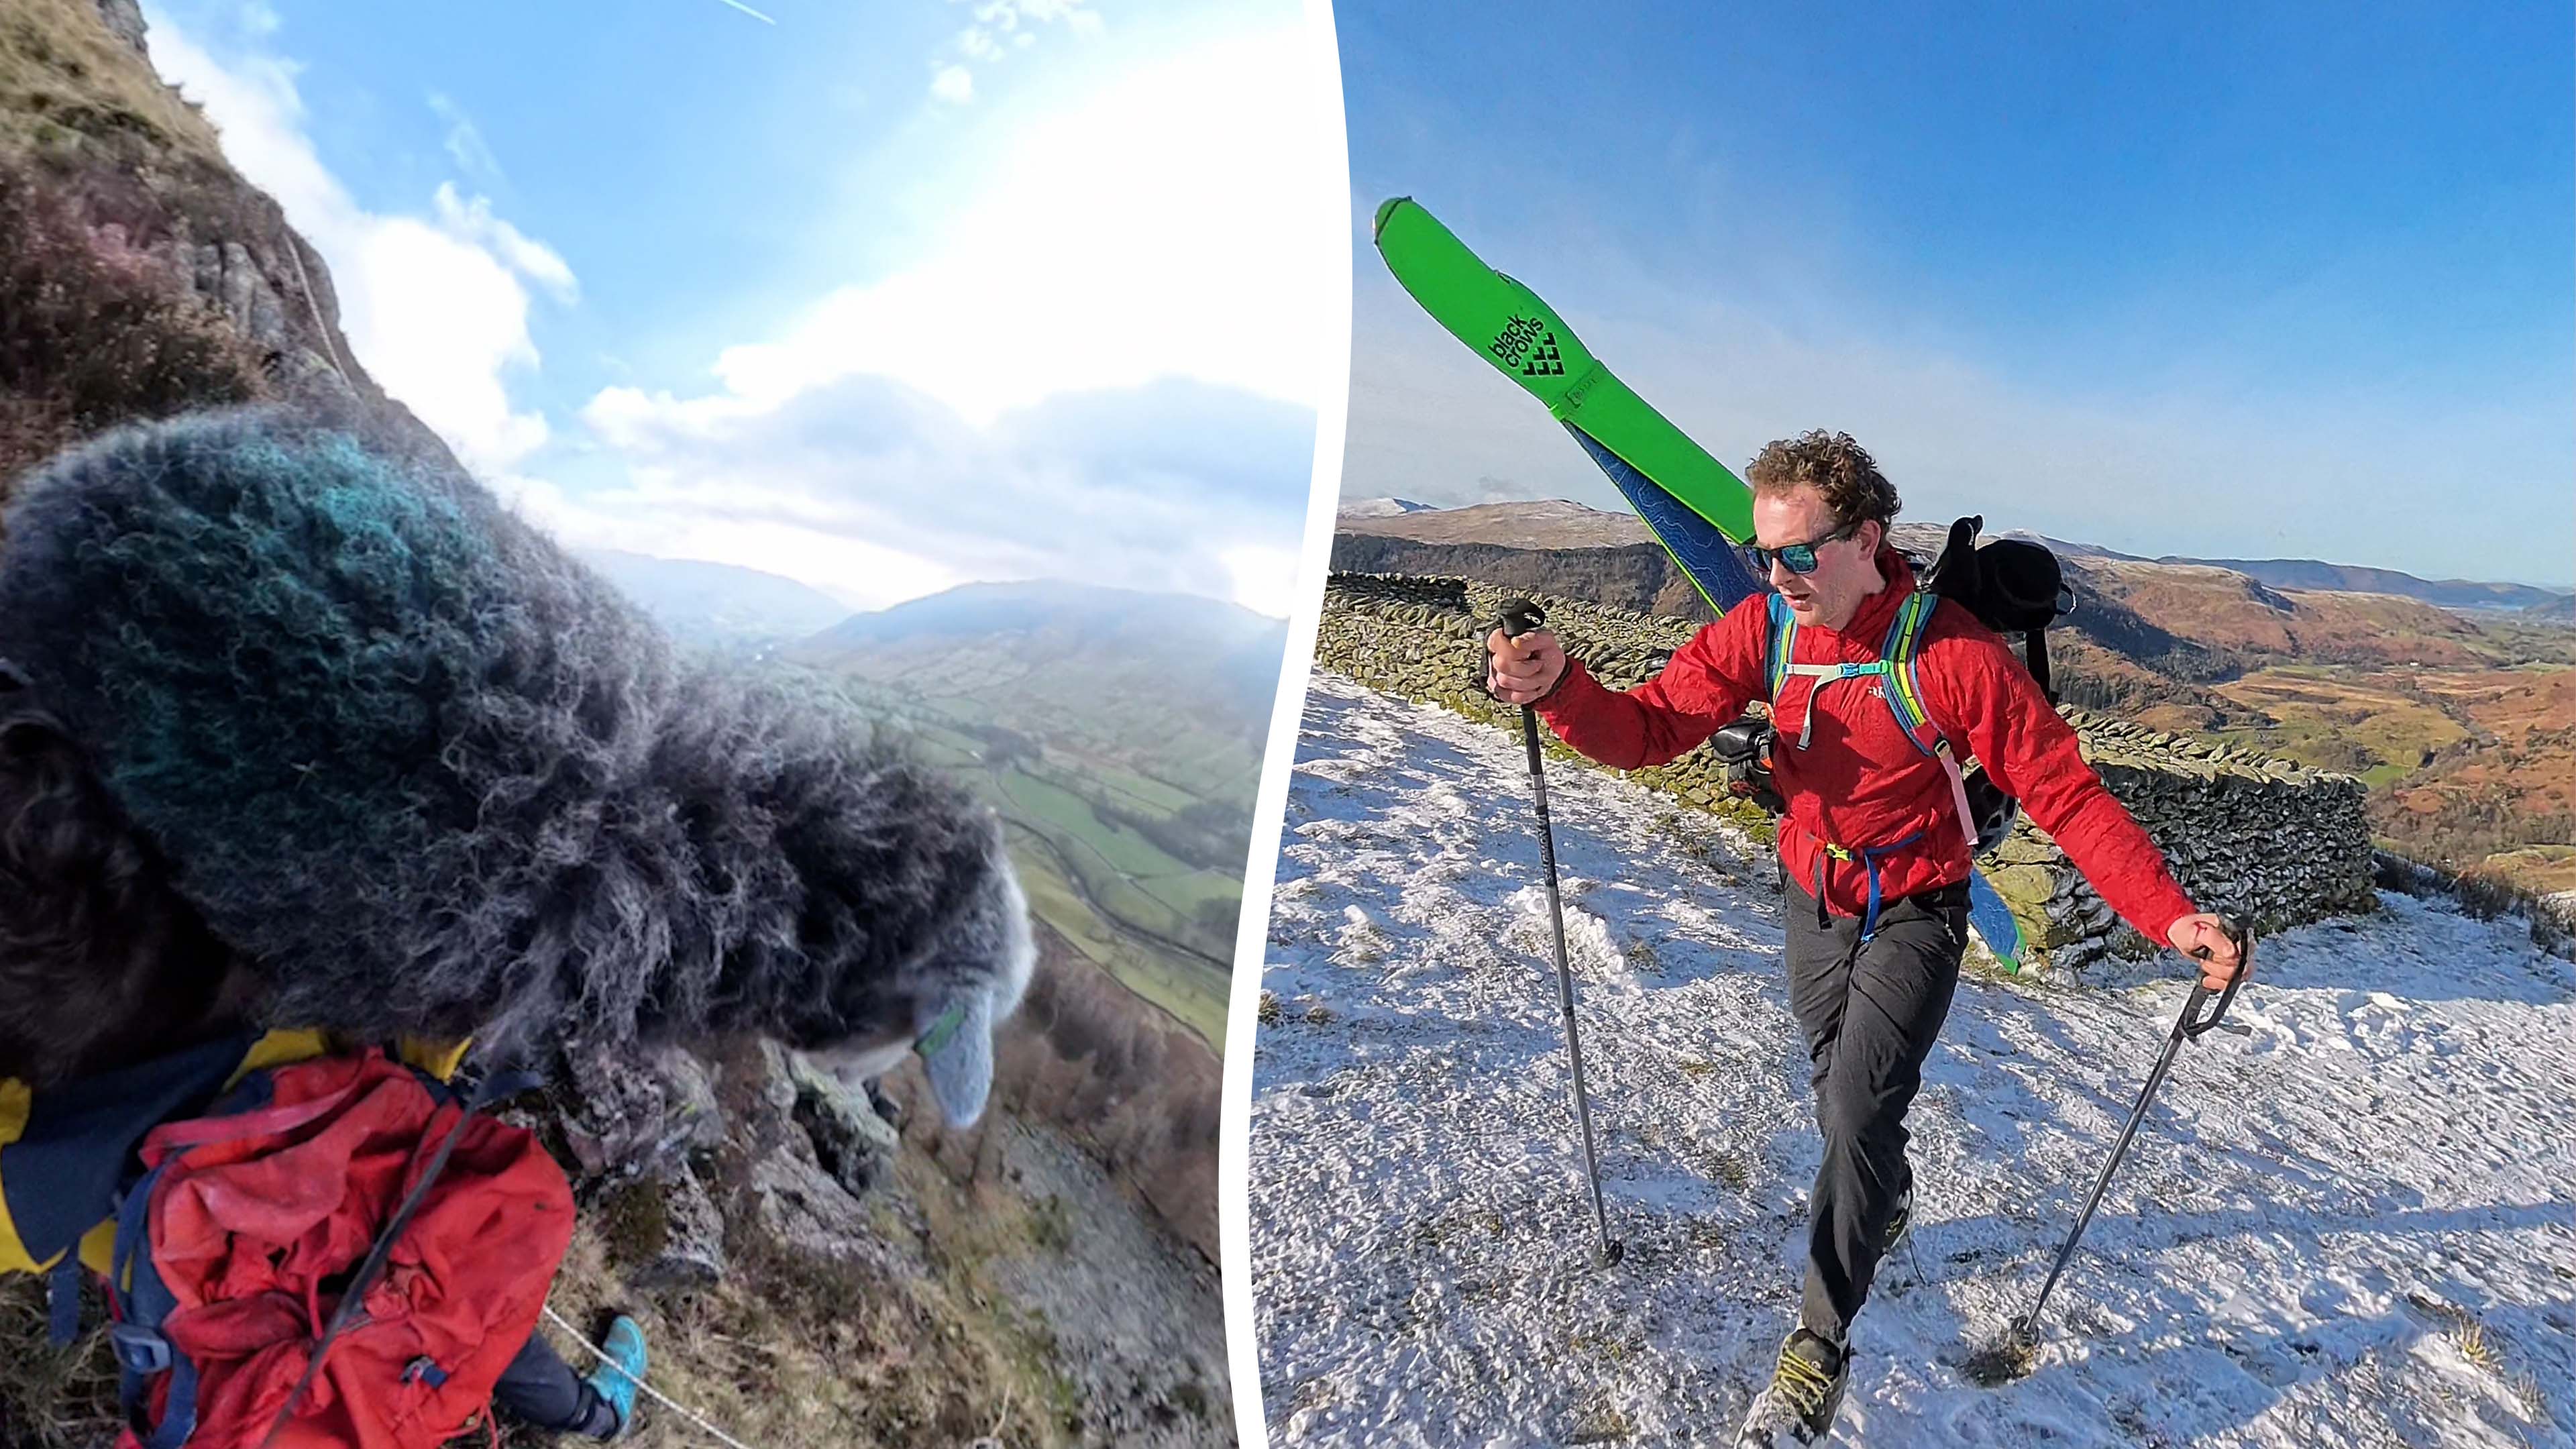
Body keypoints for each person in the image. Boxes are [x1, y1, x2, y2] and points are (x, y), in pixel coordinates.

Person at [1485, 430, 2247, 1447]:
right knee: (1834, 1085)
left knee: (1855, 1107)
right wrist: (1560, 689)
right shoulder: (1764, 629)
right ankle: (1880, 1194)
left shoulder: (1954, 658)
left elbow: (2064, 792)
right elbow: (1652, 729)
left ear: (1866, 539)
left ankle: (1818, 1346)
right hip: (1812, 892)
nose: (1778, 575)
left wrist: (2168, 914)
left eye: (1800, 552)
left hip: (1919, 907)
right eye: (1765, 554)